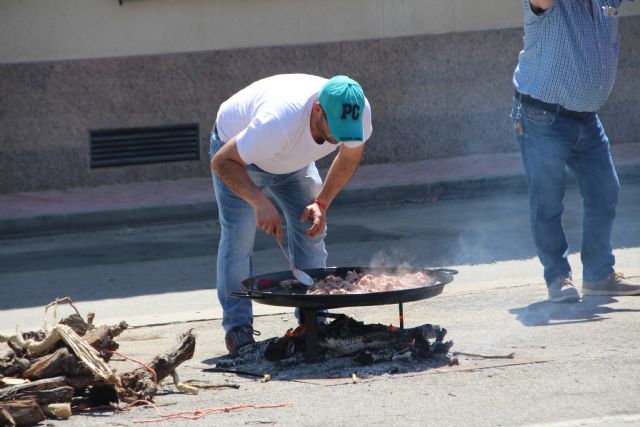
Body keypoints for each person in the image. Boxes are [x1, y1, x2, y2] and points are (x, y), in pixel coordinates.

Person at [209, 74, 372, 354]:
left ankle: (314, 320)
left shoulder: (358, 110)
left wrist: (321, 203)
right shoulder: (276, 123)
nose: (341, 137)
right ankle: (238, 330)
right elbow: (222, 162)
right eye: (337, 130)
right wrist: (258, 201)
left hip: (293, 162)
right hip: (240, 160)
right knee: (239, 238)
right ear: (318, 109)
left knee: (312, 230)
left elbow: (349, 157)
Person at [510, 0, 640, 303]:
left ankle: (598, 275)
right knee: (548, 201)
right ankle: (557, 277)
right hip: (541, 115)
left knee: (605, 190)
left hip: (586, 116)